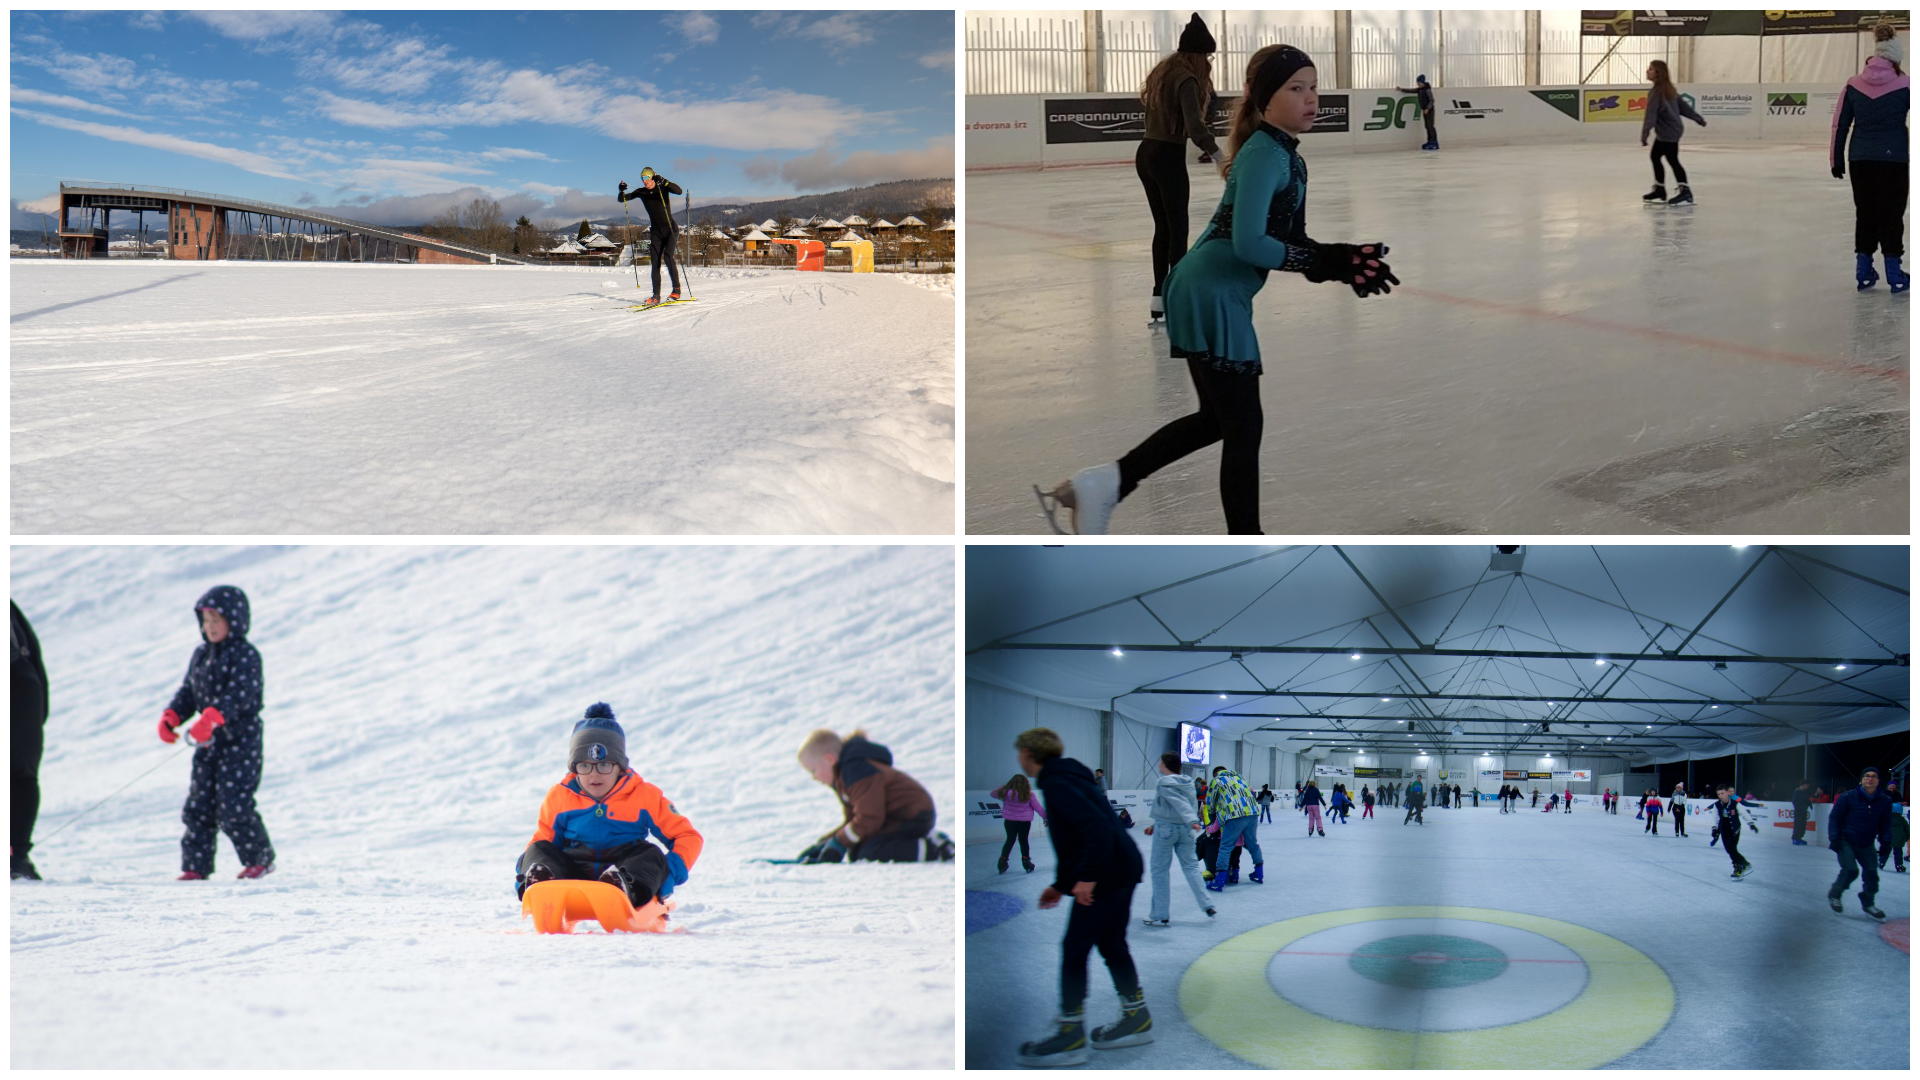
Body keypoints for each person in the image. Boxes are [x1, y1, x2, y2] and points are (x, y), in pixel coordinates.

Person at [1038, 45, 1397, 535]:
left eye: (1314, 87)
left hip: (1202, 285)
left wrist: (1341, 261)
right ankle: (1244, 542)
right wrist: (1323, 260)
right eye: (1296, 88)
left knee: (1219, 420)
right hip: (1211, 291)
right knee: (1242, 428)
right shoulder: (1264, 155)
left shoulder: (1283, 155)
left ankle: (1107, 483)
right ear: (1262, 96)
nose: (1311, 98)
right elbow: (1250, 244)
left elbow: (1290, 242)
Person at [1012, 728, 1150, 1067]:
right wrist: (1062, 884)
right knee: (1111, 943)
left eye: (1020, 752)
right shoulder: (1071, 777)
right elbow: (1080, 836)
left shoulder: (1057, 783)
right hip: (1120, 865)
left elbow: (1094, 829)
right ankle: (1137, 1016)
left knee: (1075, 946)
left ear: (1029, 752)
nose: (1019, 758)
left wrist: (1087, 876)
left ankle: (1070, 1032)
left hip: (1106, 871)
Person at [514, 703, 703, 911]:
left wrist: (667, 875)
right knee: (539, 848)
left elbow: (687, 836)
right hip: (571, 879)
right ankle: (541, 886)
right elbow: (543, 844)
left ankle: (621, 889)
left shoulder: (645, 796)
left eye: (604, 765)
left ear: (620, 767)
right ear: (574, 769)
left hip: (625, 877)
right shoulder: (560, 796)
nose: (594, 774)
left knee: (650, 853)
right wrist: (526, 873)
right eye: (585, 766)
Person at [159, 585, 276, 880]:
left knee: (234, 804)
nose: (209, 627)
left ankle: (259, 860)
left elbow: (241, 693)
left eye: (216, 621)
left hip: (241, 740)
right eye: (205, 621)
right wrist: (172, 715)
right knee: (199, 805)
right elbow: (189, 691)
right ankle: (195, 867)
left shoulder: (246, 655)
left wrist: (213, 716)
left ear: (235, 621)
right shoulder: (200, 655)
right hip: (207, 743)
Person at [1137, 13, 1220, 323]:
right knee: (1179, 231)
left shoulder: (1163, 72)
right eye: (1207, 56)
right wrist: (1217, 154)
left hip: (1145, 154)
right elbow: (1195, 126)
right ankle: (1177, 298)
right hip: (1167, 156)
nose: (1209, 62)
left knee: (1164, 229)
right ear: (1198, 54)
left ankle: (1159, 297)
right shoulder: (1187, 78)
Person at [1830, 25, 1910, 292]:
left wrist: (1836, 159)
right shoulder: (1906, 84)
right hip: (1894, 159)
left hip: (1860, 159)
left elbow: (1839, 124)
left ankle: (1863, 271)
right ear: (1896, 58)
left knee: (1865, 212)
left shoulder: (1853, 84)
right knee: (1892, 213)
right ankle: (1894, 273)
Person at [795, 728, 952, 863]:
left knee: (870, 852)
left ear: (829, 759)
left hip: (911, 814)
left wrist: (838, 843)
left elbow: (869, 817)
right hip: (891, 818)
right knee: (857, 850)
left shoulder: (857, 771)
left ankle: (935, 848)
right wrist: (824, 845)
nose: (813, 777)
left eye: (813, 770)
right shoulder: (843, 778)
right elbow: (853, 821)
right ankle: (925, 843)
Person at [1141, 753, 1216, 927]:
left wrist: (1192, 819)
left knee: (1159, 869)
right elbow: (1180, 804)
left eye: (1160, 761)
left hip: (1167, 829)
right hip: (1184, 830)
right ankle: (1207, 904)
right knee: (1191, 867)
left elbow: (1178, 802)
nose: (1158, 764)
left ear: (1166, 765)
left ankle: (1159, 913)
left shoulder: (1164, 782)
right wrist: (1154, 823)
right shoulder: (1188, 782)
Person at [11, 602, 50, 881]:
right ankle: (15, 857)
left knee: (19, 774)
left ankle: (14, 856)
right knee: (21, 774)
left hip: (20, 687)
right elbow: (32, 654)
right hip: (25, 687)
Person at [1826, 767, 1894, 920]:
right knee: (1850, 870)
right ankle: (1835, 894)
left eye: (1874, 776)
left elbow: (1885, 824)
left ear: (1878, 781)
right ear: (1861, 779)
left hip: (1867, 842)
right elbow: (1835, 818)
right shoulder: (1847, 797)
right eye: (1867, 776)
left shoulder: (1885, 801)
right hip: (1846, 840)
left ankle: (1868, 903)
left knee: (1871, 874)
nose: (1870, 779)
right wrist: (1835, 838)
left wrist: (1885, 842)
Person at [1639, 60, 1707, 205]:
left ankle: (1683, 191)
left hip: (1668, 131)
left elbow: (1651, 115)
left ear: (1658, 73)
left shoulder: (1657, 92)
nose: (1647, 71)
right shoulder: (1667, 88)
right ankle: (1661, 189)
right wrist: (1697, 118)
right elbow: (1683, 107)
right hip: (1672, 129)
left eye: (1651, 69)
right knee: (1657, 156)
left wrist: (1645, 134)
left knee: (1670, 159)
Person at [615, 167, 685, 308]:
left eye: (646, 178)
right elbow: (622, 200)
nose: (644, 181)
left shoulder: (662, 188)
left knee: (667, 257)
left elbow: (679, 191)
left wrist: (664, 181)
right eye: (642, 178)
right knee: (655, 263)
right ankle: (656, 296)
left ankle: (676, 290)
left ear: (652, 177)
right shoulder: (641, 192)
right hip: (656, 231)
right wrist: (621, 190)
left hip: (670, 228)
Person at [1204, 765, 1265, 889]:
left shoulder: (1216, 781)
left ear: (1216, 774)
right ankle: (1259, 872)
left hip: (1234, 814)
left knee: (1225, 846)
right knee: (1252, 844)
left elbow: (1210, 802)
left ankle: (1220, 878)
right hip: (1252, 812)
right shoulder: (1240, 777)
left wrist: (1211, 818)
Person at [992, 773, 1047, 874]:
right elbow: (1038, 808)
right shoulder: (1028, 794)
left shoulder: (1005, 792)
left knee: (1010, 840)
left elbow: (993, 793)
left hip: (1009, 821)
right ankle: (1026, 862)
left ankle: (1002, 861)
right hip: (1024, 822)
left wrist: (1006, 786)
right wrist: (1046, 818)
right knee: (1023, 841)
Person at [1707, 784, 1760, 880]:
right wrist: (1714, 828)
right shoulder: (1717, 805)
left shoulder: (1735, 804)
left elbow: (1744, 813)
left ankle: (1743, 865)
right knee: (1729, 850)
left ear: (1727, 793)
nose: (1721, 796)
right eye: (1719, 794)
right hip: (1724, 830)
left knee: (1731, 849)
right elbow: (1714, 817)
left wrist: (1751, 823)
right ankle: (1739, 866)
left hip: (1734, 830)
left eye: (1722, 793)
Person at [1394, 74, 1439, 150]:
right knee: (1427, 126)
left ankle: (1434, 142)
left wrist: (1428, 108)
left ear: (1422, 82)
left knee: (1430, 126)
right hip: (1424, 110)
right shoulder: (1419, 90)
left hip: (1429, 110)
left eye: (1419, 82)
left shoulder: (1427, 90)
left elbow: (1432, 100)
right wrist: (1401, 89)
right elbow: (1411, 90)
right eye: (1417, 82)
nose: (1418, 84)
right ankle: (1429, 141)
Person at [1880, 786, 1908, 873]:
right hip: (1899, 840)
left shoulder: (1887, 819)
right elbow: (1907, 829)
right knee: (1898, 853)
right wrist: (1907, 837)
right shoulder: (1902, 820)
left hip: (1888, 839)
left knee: (1886, 851)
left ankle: (1881, 862)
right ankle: (1899, 864)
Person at [1791, 780, 1814, 845]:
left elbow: (1806, 799)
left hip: (1803, 810)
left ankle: (1799, 837)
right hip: (1799, 811)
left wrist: (1809, 803)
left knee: (1803, 824)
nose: (1808, 787)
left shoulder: (1804, 792)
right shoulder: (1797, 792)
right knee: (1798, 824)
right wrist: (1802, 806)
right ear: (1804, 784)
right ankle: (1795, 838)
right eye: (1807, 785)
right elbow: (1795, 801)